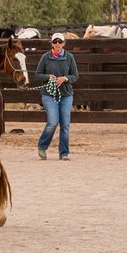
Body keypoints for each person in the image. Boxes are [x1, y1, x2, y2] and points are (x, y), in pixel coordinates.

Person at [34, 32, 79, 161]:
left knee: (65, 125)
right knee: (53, 122)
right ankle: (42, 146)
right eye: (55, 42)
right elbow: (37, 74)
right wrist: (48, 77)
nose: (58, 44)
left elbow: (75, 76)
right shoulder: (45, 58)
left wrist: (65, 78)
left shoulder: (69, 57)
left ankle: (64, 153)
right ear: (52, 44)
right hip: (49, 94)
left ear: (64, 43)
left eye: (60, 42)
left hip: (66, 95)